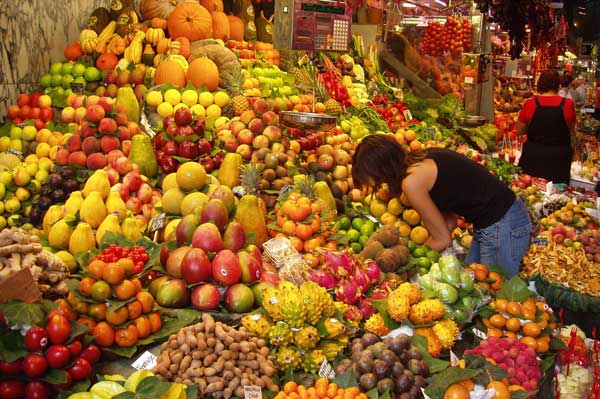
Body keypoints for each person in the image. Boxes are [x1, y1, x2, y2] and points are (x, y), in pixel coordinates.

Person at [351, 134, 532, 277]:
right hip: (497, 220)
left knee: (496, 296)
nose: (379, 183)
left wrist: (408, 259)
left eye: (375, 178)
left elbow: (443, 240)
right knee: (476, 286)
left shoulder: (412, 182)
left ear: (382, 169)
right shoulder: (422, 159)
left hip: (502, 224)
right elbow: (450, 221)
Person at [516, 69, 576, 184]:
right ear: (558, 84)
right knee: (558, 195)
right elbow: (572, 131)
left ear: (540, 84)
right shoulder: (568, 104)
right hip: (558, 159)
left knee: (530, 191)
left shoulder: (530, 103)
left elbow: (519, 130)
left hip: (534, 156)